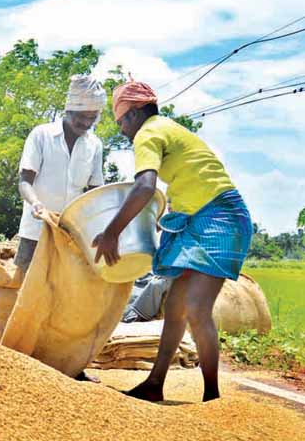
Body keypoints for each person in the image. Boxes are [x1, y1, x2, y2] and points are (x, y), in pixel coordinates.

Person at [92, 81, 252, 403]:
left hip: (221, 218)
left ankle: (212, 398)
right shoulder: (164, 127)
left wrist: (111, 232)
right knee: (176, 306)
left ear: (135, 114)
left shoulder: (148, 133)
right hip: (201, 218)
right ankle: (155, 384)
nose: (122, 130)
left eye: (122, 121)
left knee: (195, 307)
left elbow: (145, 187)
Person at [16, 74, 107, 383]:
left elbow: (95, 192)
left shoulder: (95, 145)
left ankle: (69, 365)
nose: (86, 124)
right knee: (28, 294)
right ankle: (17, 359)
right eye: (82, 117)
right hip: (35, 228)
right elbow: (24, 181)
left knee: (68, 299)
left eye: (92, 119)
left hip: (71, 233)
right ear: (69, 110)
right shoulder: (41, 135)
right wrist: (37, 205)